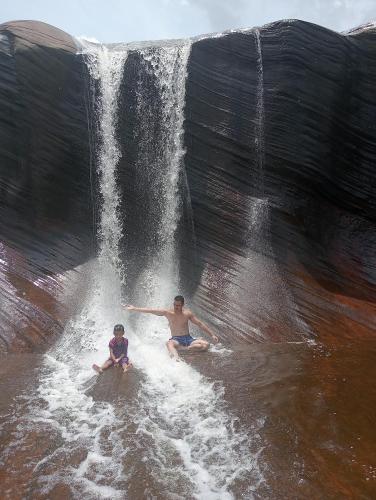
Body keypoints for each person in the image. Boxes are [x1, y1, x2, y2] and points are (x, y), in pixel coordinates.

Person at [125, 295, 218, 361]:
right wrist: (134, 308)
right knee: (169, 343)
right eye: (175, 304)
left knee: (206, 345)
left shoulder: (187, 313)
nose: (176, 307)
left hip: (188, 339)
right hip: (176, 339)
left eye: (178, 305)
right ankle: (176, 359)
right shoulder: (168, 312)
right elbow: (151, 310)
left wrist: (212, 334)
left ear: (182, 305)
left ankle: (184, 349)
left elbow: (200, 324)